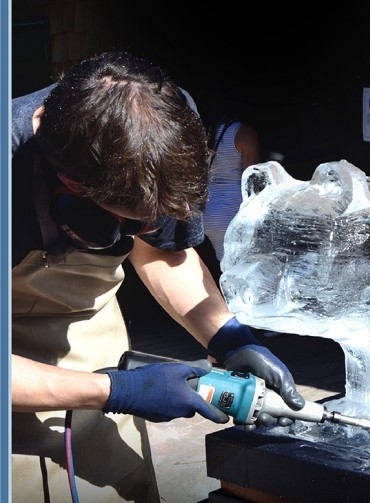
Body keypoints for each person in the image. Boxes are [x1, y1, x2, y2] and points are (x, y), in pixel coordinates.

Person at [11, 51, 305, 503]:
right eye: (133, 221)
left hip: (93, 335)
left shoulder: (160, 124)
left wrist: (229, 339)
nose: (146, 230)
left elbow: (165, 254)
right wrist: (116, 390)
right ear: (71, 185)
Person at [203, 120, 262, 263]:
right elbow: (252, 180)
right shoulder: (243, 133)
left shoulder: (201, 130)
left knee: (225, 267)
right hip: (233, 210)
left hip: (206, 209)